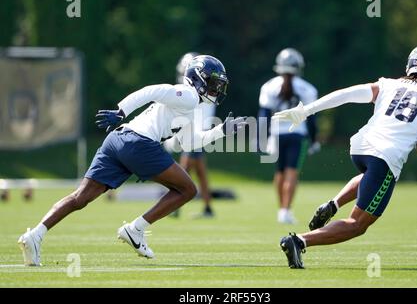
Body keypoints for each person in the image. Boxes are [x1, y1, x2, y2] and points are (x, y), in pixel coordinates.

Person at [17, 55, 247, 266]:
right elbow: (151, 91)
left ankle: (35, 235)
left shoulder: (190, 105)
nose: (217, 89)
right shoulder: (187, 95)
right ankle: (136, 229)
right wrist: (120, 111)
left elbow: (188, 143)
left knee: (80, 198)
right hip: (138, 143)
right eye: (214, 82)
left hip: (117, 140)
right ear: (199, 78)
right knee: (187, 189)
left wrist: (222, 131)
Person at [273, 43, 417, 268]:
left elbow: (347, 94)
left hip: (360, 146)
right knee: (357, 224)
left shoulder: (389, 84)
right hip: (386, 155)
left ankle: (334, 204)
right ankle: (298, 241)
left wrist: (306, 111)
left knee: (370, 175)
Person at [258, 48, 320, 224]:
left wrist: (262, 139)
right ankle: (285, 210)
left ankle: (282, 210)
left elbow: (263, 116)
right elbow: (312, 119)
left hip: (277, 135)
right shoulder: (307, 88)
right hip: (297, 135)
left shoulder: (269, 86)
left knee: (279, 173)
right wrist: (314, 140)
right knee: (291, 173)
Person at [170, 52, 216, 218]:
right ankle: (208, 207)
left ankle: (175, 205)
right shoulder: (203, 88)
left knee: (183, 170)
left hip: (196, 133)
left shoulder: (197, 91)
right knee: (200, 171)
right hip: (197, 131)